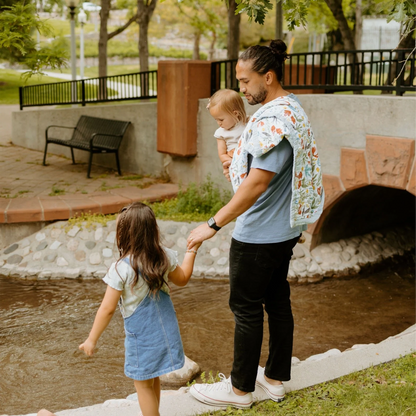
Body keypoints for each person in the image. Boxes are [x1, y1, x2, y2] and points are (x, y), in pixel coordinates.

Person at [187, 39, 324, 409]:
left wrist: (212, 224)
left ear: (268, 75)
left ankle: (239, 390)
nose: (242, 89)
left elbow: (258, 183)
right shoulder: (290, 107)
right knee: (278, 302)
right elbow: (264, 170)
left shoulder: (273, 118)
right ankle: (275, 380)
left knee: (245, 308)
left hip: (259, 234)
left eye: (246, 82)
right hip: (284, 230)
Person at [79, 202, 201, 416]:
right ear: (152, 230)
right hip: (165, 332)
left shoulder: (121, 269)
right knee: (152, 378)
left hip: (142, 338)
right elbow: (182, 279)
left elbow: (106, 309)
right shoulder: (162, 257)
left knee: (142, 384)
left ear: (124, 235)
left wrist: (92, 339)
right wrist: (191, 251)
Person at [207, 88, 247, 166]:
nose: (219, 123)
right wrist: (234, 162)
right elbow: (222, 155)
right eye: (216, 120)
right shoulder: (220, 133)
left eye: (221, 120)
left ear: (235, 113)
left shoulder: (248, 123)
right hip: (235, 163)